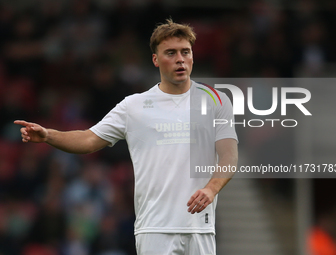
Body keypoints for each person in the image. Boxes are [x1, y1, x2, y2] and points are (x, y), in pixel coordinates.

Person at [15, 19, 238, 255]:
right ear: (155, 60)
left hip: (200, 228)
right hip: (154, 229)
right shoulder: (134, 106)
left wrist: (211, 189)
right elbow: (89, 139)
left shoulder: (216, 100)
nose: (180, 59)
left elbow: (229, 157)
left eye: (185, 52)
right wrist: (49, 135)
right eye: (170, 53)